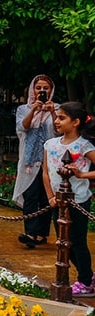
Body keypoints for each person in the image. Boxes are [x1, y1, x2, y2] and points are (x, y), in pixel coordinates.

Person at [41, 101, 95, 297]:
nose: (56, 121)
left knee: (77, 241)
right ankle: (88, 275)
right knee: (63, 242)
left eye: (62, 117)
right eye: (56, 117)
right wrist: (50, 196)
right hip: (57, 201)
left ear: (76, 122)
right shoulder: (50, 144)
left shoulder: (84, 146)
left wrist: (81, 175)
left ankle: (85, 281)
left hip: (78, 201)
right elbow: (45, 173)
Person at [12, 75, 57, 249]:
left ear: (51, 90)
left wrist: (52, 112)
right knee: (30, 195)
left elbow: (59, 130)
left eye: (46, 88)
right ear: (33, 90)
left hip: (49, 160)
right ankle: (30, 232)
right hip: (30, 161)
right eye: (38, 88)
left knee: (46, 197)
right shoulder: (24, 108)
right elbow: (22, 127)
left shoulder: (57, 108)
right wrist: (34, 110)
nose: (42, 91)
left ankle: (41, 234)